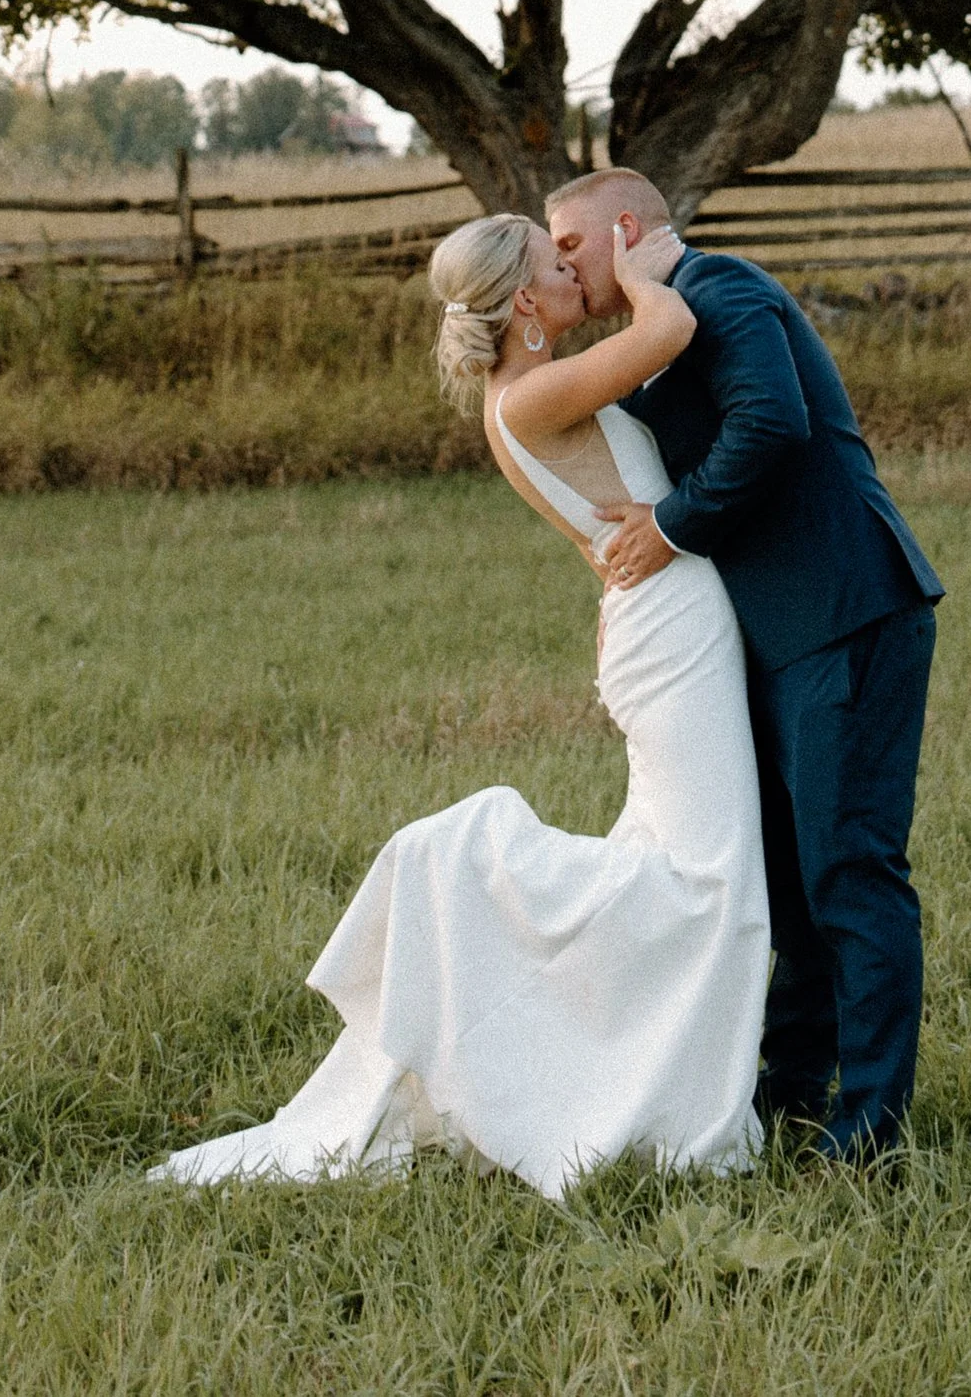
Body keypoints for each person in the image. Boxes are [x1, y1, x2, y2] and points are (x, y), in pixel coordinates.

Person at [152, 205, 771, 1202]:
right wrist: (649, 261)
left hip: (663, 624)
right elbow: (666, 333)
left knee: (694, 870)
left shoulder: (533, 387)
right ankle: (472, 881)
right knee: (706, 883)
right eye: (557, 263)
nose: (579, 271)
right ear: (524, 302)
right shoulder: (525, 397)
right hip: (670, 633)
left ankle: (640, 1082)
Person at [547, 166, 941, 1161]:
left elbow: (772, 420)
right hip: (770, 636)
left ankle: (873, 1125)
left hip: (845, 612)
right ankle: (793, 1089)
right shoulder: (658, 335)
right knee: (790, 881)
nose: (565, 268)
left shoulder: (728, 293)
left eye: (571, 248)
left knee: (849, 871)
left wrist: (669, 530)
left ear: (624, 227)